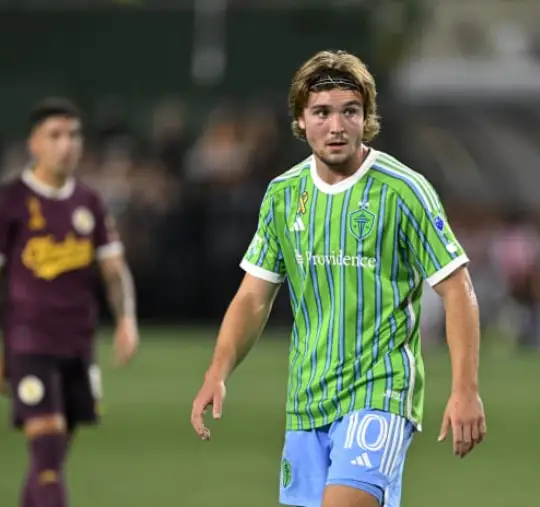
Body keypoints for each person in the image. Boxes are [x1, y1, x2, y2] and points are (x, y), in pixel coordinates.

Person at [190, 50, 486, 507]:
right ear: (300, 119)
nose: (336, 126)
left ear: (366, 118)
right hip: (307, 400)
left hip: (380, 392)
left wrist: (465, 389)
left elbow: (457, 289)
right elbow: (253, 297)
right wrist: (217, 371)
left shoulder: (403, 191)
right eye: (322, 112)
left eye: (350, 111)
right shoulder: (284, 195)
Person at [0, 97, 139, 507]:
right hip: (30, 344)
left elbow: (114, 269)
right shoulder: (7, 201)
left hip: (78, 344)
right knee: (46, 453)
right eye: (56, 135)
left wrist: (126, 319)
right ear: (34, 143)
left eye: (74, 135)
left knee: (51, 460)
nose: (67, 145)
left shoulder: (89, 202)